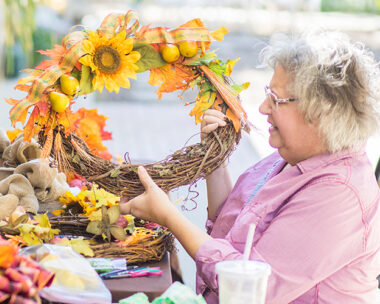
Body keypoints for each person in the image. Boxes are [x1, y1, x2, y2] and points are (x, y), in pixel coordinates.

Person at [120, 31, 380, 303]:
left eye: (276, 100)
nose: (264, 107)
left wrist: (169, 217)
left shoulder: (339, 194)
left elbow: (252, 289)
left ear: (321, 113)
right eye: (268, 93)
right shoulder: (294, 156)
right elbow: (232, 232)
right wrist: (214, 161)